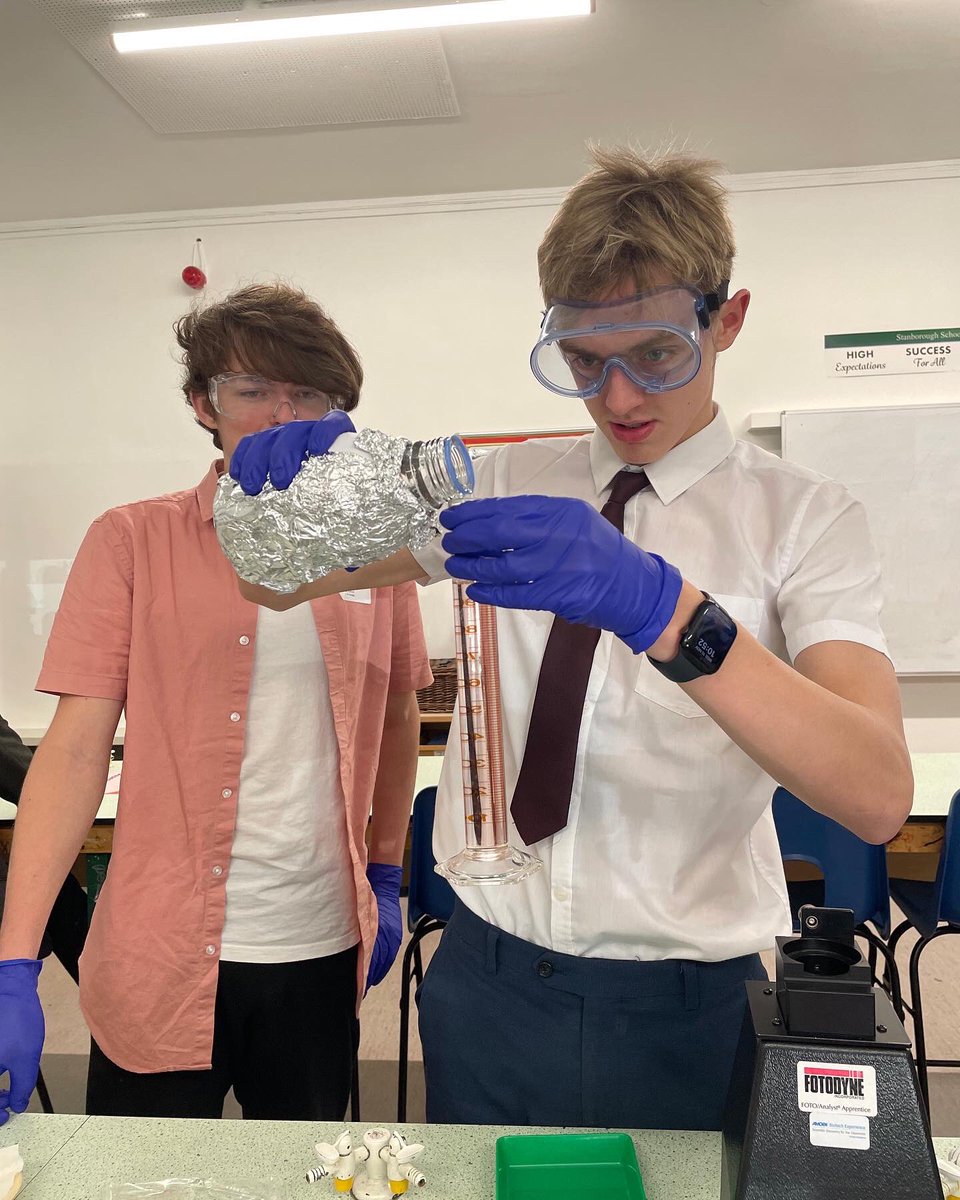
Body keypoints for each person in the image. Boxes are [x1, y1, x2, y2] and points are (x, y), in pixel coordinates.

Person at [224, 149, 913, 1131]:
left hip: (690, 1002)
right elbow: (272, 582)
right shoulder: (502, 483)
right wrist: (262, 491)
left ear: (729, 318)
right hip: (489, 978)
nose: (622, 398)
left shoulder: (805, 519)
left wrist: (664, 609)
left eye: (659, 354)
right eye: (587, 363)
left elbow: (877, 793)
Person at [0, 283, 432, 1125]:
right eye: (251, 389)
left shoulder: (377, 552)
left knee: (305, 1177)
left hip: (318, 946)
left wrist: (386, 875)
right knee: (143, 1182)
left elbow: (394, 715)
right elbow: (77, 747)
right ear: (203, 402)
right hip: (160, 952)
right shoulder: (131, 540)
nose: (281, 413)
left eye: (308, 392)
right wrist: (15, 960)